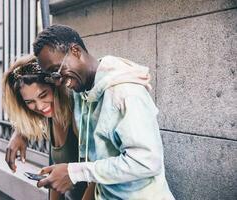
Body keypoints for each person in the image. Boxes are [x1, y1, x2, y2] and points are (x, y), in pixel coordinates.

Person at [31, 25, 175, 200]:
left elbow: (147, 162)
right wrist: (20, 134)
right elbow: (26, 83)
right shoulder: (81, 91)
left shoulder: (125, 93)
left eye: (57, 70)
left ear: (75, 51)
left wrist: (76, 172)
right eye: (52, 76)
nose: (58, 81)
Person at [2, 54, 89, 200]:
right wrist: (20, 132)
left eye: (43, 94)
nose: (40, 106)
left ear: (55, 86)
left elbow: (96, 180)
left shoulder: (77, 112)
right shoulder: (51, 115)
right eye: (30, 102)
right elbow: (56, 177)